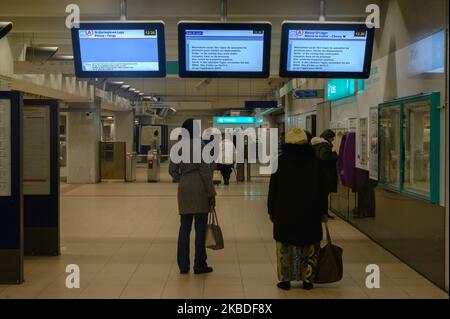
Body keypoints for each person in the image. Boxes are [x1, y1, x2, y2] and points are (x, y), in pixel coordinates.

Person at [268, 128, 327, 291]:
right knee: (309, 244)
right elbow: (322, 190)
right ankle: (308, 279)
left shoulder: (279, 161)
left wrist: (271, 210)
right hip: (310, 210)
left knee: (285, 245)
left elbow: (273, 189)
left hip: (285, 210)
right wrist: (323, 211)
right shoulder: (315, 162)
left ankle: (286, 279)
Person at [169, 118, 216, 274]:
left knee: (184, 228)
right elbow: (205, 171)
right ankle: (199, 265)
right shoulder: (200, 146)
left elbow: (172, 170)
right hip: (200, 188)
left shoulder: (177, 147)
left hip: (184, 188)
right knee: (200, 229)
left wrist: (182, 178)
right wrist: (211, 193)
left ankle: (183, 266)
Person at [311, 129, 339, 220]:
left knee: (321, 195)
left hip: (318, 173)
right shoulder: (325, 145)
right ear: (329, 137)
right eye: (332, 138)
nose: (333, 140)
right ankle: (323, 214)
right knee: (324, 195)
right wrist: (334, 154)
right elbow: (325, 158)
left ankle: (323, 213)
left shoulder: (316, 144)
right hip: (326, 174)